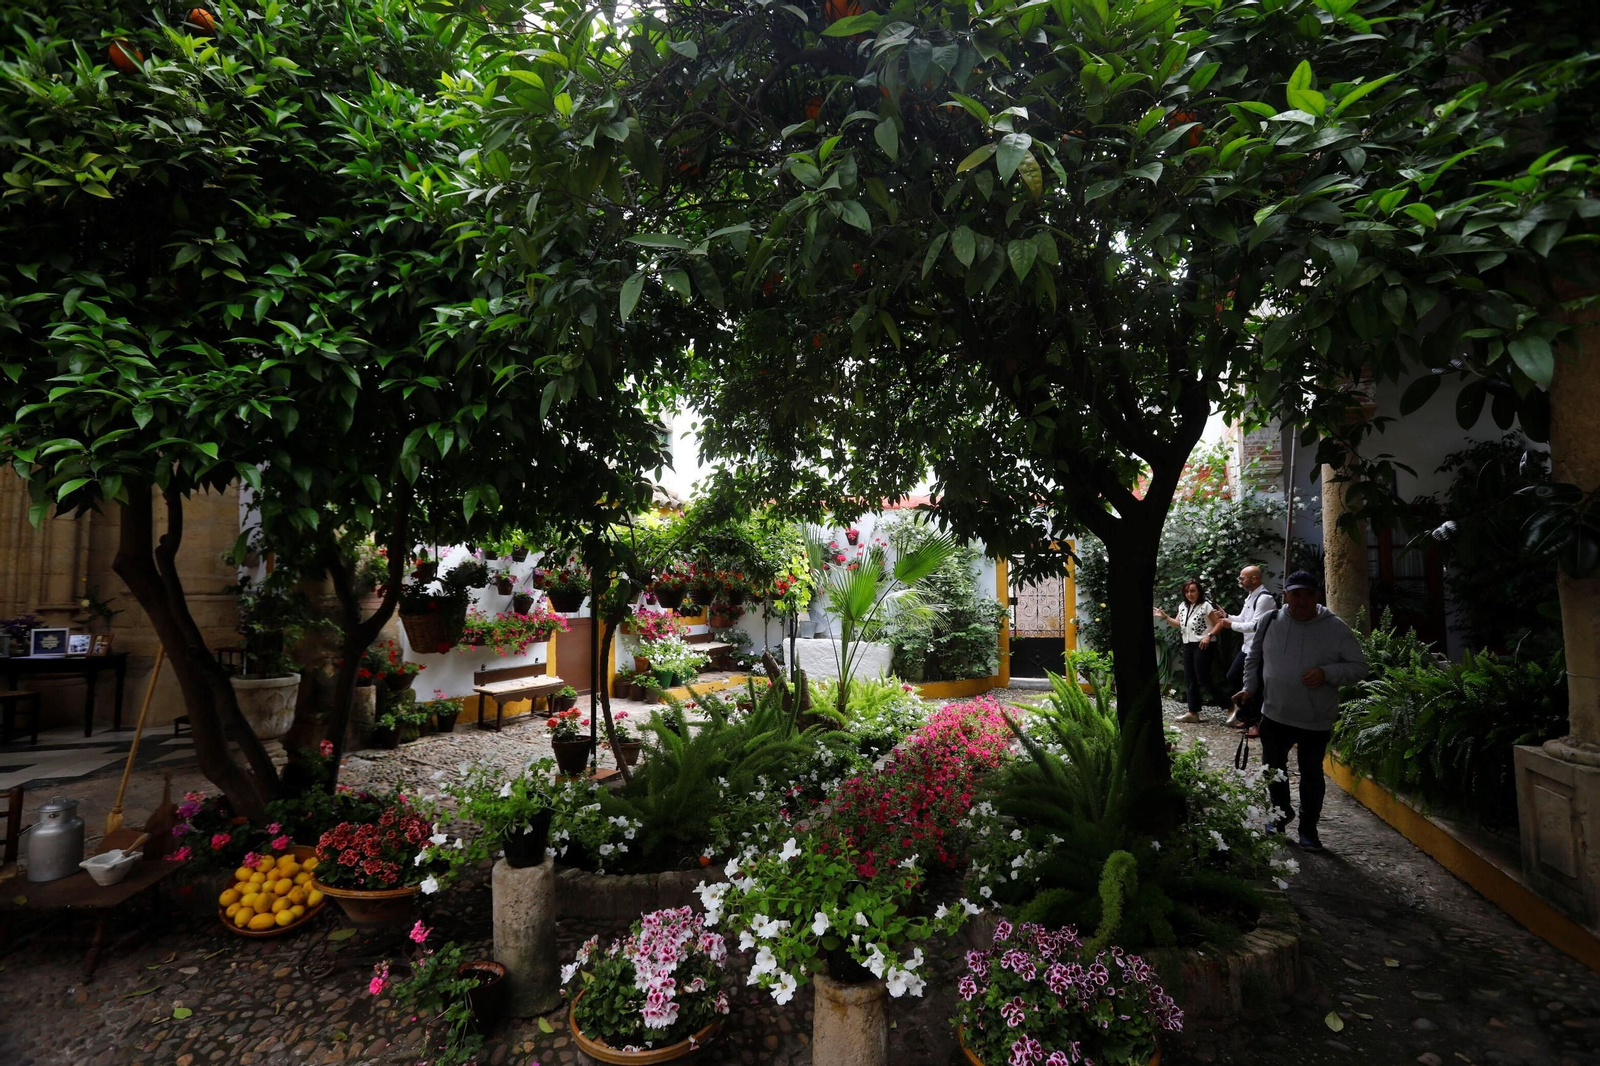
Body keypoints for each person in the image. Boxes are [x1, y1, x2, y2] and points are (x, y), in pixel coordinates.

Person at [1235, 570, 1367, 851]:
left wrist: (1327, 673)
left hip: (1315, 718)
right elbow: (1253, 658)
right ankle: (1280, 815)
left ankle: (1308, 828)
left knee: (1311, 775)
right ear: (1286, 596)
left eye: (1308, 594)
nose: (1302, 600)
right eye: (1296, 594)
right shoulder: (1270, 621)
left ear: (1318, 596)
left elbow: (1359, 667)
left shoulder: (1336, 628)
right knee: (1273, 770)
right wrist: (1249, 688)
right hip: (1275, 713)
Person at [1205, 565, 1277, 730]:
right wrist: (1227, 616)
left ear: (1255, 579)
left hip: (1259, 649)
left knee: (1257, 685)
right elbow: (1243, 619)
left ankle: (1257, 721)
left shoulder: (1264, 599)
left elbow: (1255, 625)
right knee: (1233, 677)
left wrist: (1230, 625)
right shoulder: (1251, 596)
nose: (1240, 581)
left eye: (1243, 578)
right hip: (1247, 648)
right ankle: (1248, 715)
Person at [1153, 578, 1224, 724]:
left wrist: (1209, 635)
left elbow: (1219, 623)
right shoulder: (1183, 606)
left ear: (1199, 591)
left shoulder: (1206, 606)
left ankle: (1230, 706)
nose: (1189, 594)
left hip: (1203, 644)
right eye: (1186, 591)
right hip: (1188, 644)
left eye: (1192, 591)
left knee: (1203, 678)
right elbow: (1178, 624)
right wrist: (1165, 617)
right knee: (1190, 678)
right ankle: (1193, 712)